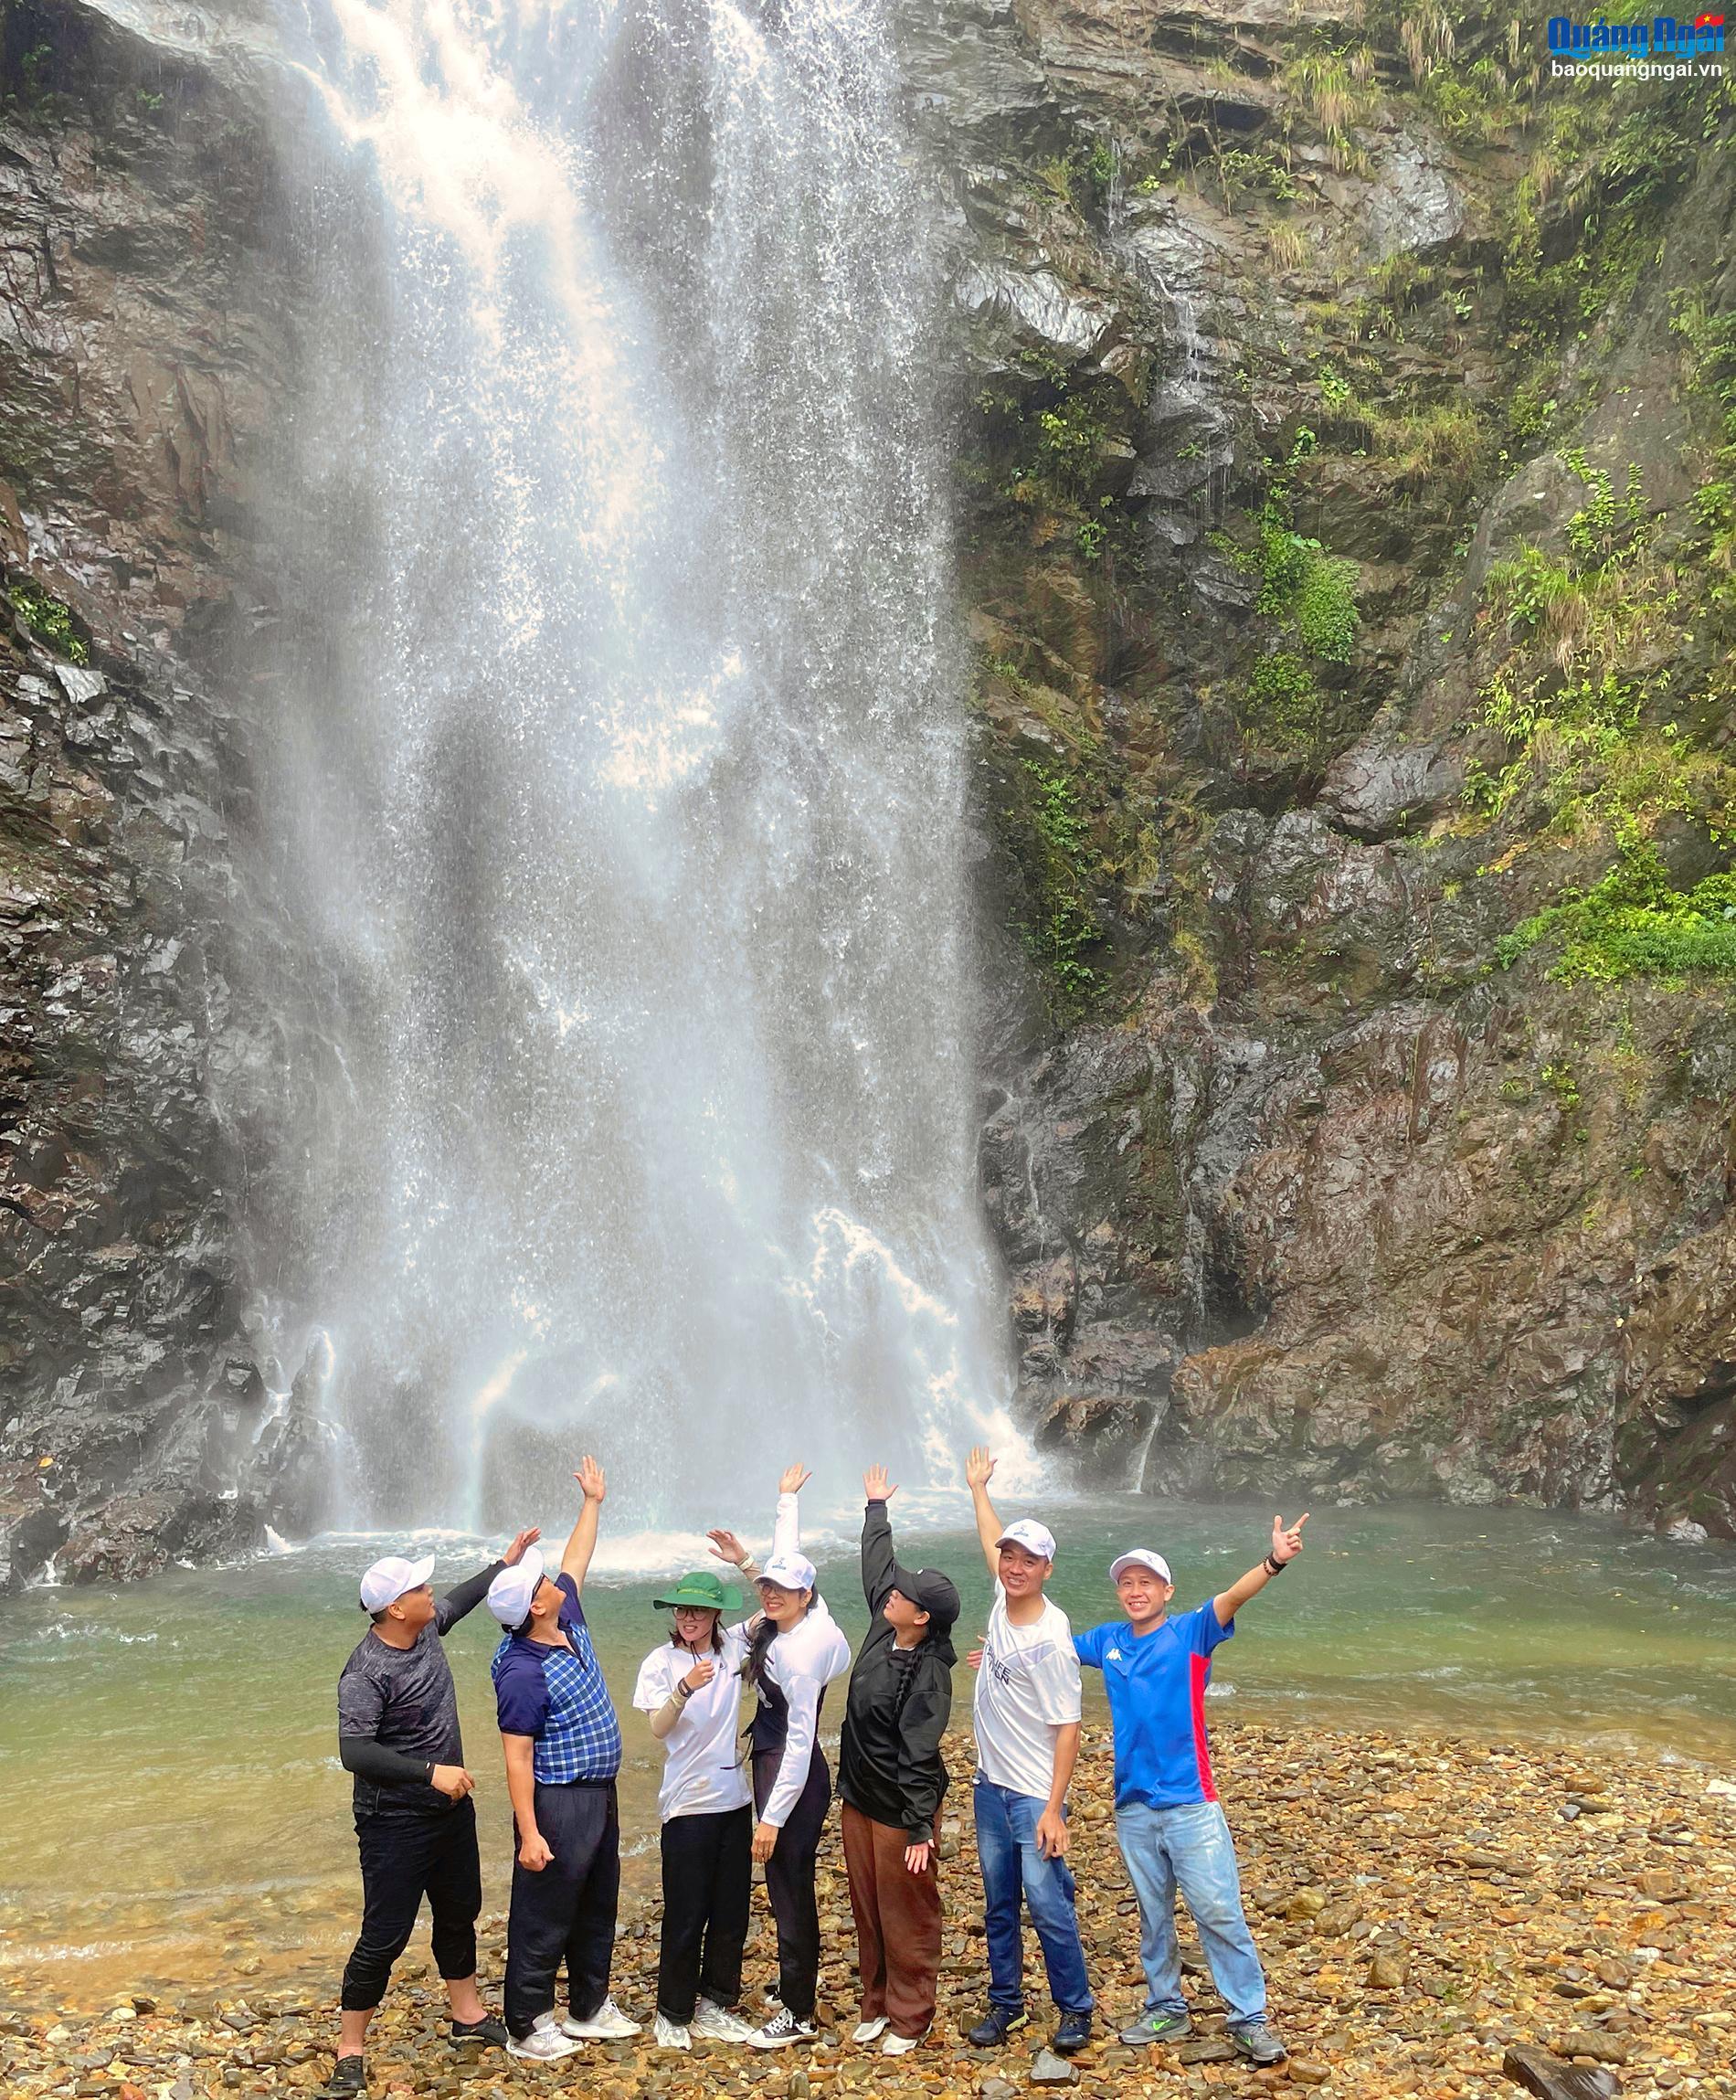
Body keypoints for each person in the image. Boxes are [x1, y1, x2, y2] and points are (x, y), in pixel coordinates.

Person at [1074, 1515, 1309, 2067]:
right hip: (1132, 1805)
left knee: (1219, 1911)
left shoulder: (1191, 1632)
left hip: (1191, 1804)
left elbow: (1234, 1595)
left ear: (1166, 1591)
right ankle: (1166, 2006)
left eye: (1146, 1582)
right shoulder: (1106, 1640)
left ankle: (1248, 2017)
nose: (1136, 1591)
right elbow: (1047, 1641)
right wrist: (1000, 1657)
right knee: (1153, 1914)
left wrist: (1274, 1561)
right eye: (1127, 1583)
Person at [330, 1526, 540, 2098]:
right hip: (393, 1821)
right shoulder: (367, 1671)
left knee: (458, 1911)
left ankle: (466, 2015)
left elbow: (465, 1598)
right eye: (420, 1588)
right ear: (396, 1608)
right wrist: (430, 1772)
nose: (432, 1593)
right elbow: (355, 1751)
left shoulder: (424, 1630)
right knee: (385, 1934)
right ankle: (351, 2048)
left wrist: (506, 1562)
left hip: (449, 1810)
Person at [487, 1457, 640, 2063]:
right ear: (535, 1607)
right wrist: (528, 1831)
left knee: (598, 1899)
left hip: (598, 1790)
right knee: (543, 1912)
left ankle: (586, 2007)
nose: (553, 1578)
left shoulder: (565, 1620)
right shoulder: (522, 1670)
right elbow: (516, 1757)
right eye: (541, 1581)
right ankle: (525, 2024)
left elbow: (577, 1559)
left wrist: (593, 1503)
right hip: (558, 1799)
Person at [706, 1463, 852, 2048]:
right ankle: (796, 1986)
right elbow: (786, 1558)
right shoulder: (793, 1614)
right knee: (786, 1882)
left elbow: (800, 1741)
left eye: (779, 1590)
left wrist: (770, 1818)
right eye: (764, 1586)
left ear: (806, 1597)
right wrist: (785, 1499)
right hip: (775, 1756)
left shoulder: (800, 1652)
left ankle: (796, 2011)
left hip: (792, 1769)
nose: (767, 1594)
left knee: (788, 1883)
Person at [960, 1446, 1093, 2055]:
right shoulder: (1003, 1598)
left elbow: (1069, 1725)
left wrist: (1054, 1809)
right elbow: (991, 1537)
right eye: (1010, 1557)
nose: (1014, 1566)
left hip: (1033, 1793)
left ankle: (1076, 2009)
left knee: (1046, 1903)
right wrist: (979, 1489)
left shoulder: (1051, 1638)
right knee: (998, 1905)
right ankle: (1007, 2005)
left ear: (1047, 1570)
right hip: (990, 1786)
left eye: (1028, 1560)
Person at [836, 1464, 960, 2057]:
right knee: (867, 1908)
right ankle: (876, 2003)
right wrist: (876, 1508)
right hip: (859, 1799)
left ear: (923, 1618)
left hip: (898, 1812)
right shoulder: (884, 1630)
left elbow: (918, 1754)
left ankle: (912, 2017)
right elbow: (878, 1569)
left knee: (908, 1912)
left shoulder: (928, 1673)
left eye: (906, 1595)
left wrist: (918, 1828)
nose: (894, 1592)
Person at [630, 1564, 762, 2052]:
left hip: (734, 1800)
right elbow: (659, 1729)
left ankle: (715, 2003)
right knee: (686, 1912)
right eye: (683, 1609)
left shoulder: (733, 1647)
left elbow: (779, 1603)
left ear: (715, 1614)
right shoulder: (659, 1662)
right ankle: (673, 2010)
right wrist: (685, 1688)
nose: (689, 1617)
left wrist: (745, 1562)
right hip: (687, 1804)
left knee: (731, 1911)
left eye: (700, 1609)